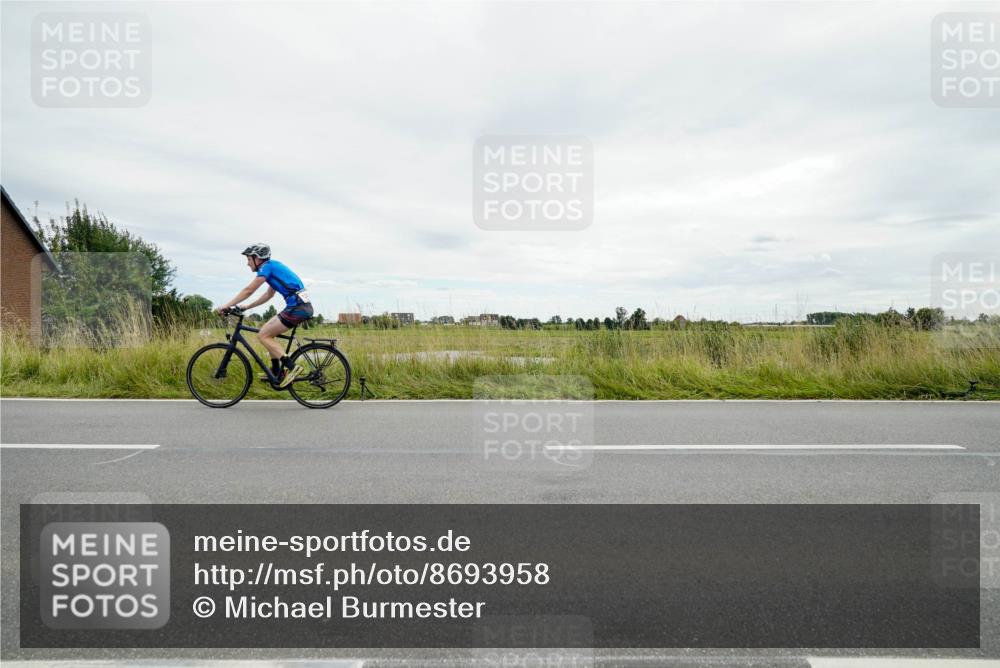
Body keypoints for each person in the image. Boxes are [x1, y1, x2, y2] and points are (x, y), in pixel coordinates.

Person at [216, 244, 313, 387]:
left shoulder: (266, 267)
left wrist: (226, 305)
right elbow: (268, 295)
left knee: (263, 336)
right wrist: (247, 306)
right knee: (267, 332)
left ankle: (292, 368)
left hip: (296, 308)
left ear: (257, 258)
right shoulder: (273, 267)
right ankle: (276, 372)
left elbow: (249, 290)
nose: (247, 263)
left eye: (249, 259)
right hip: (299, 307)